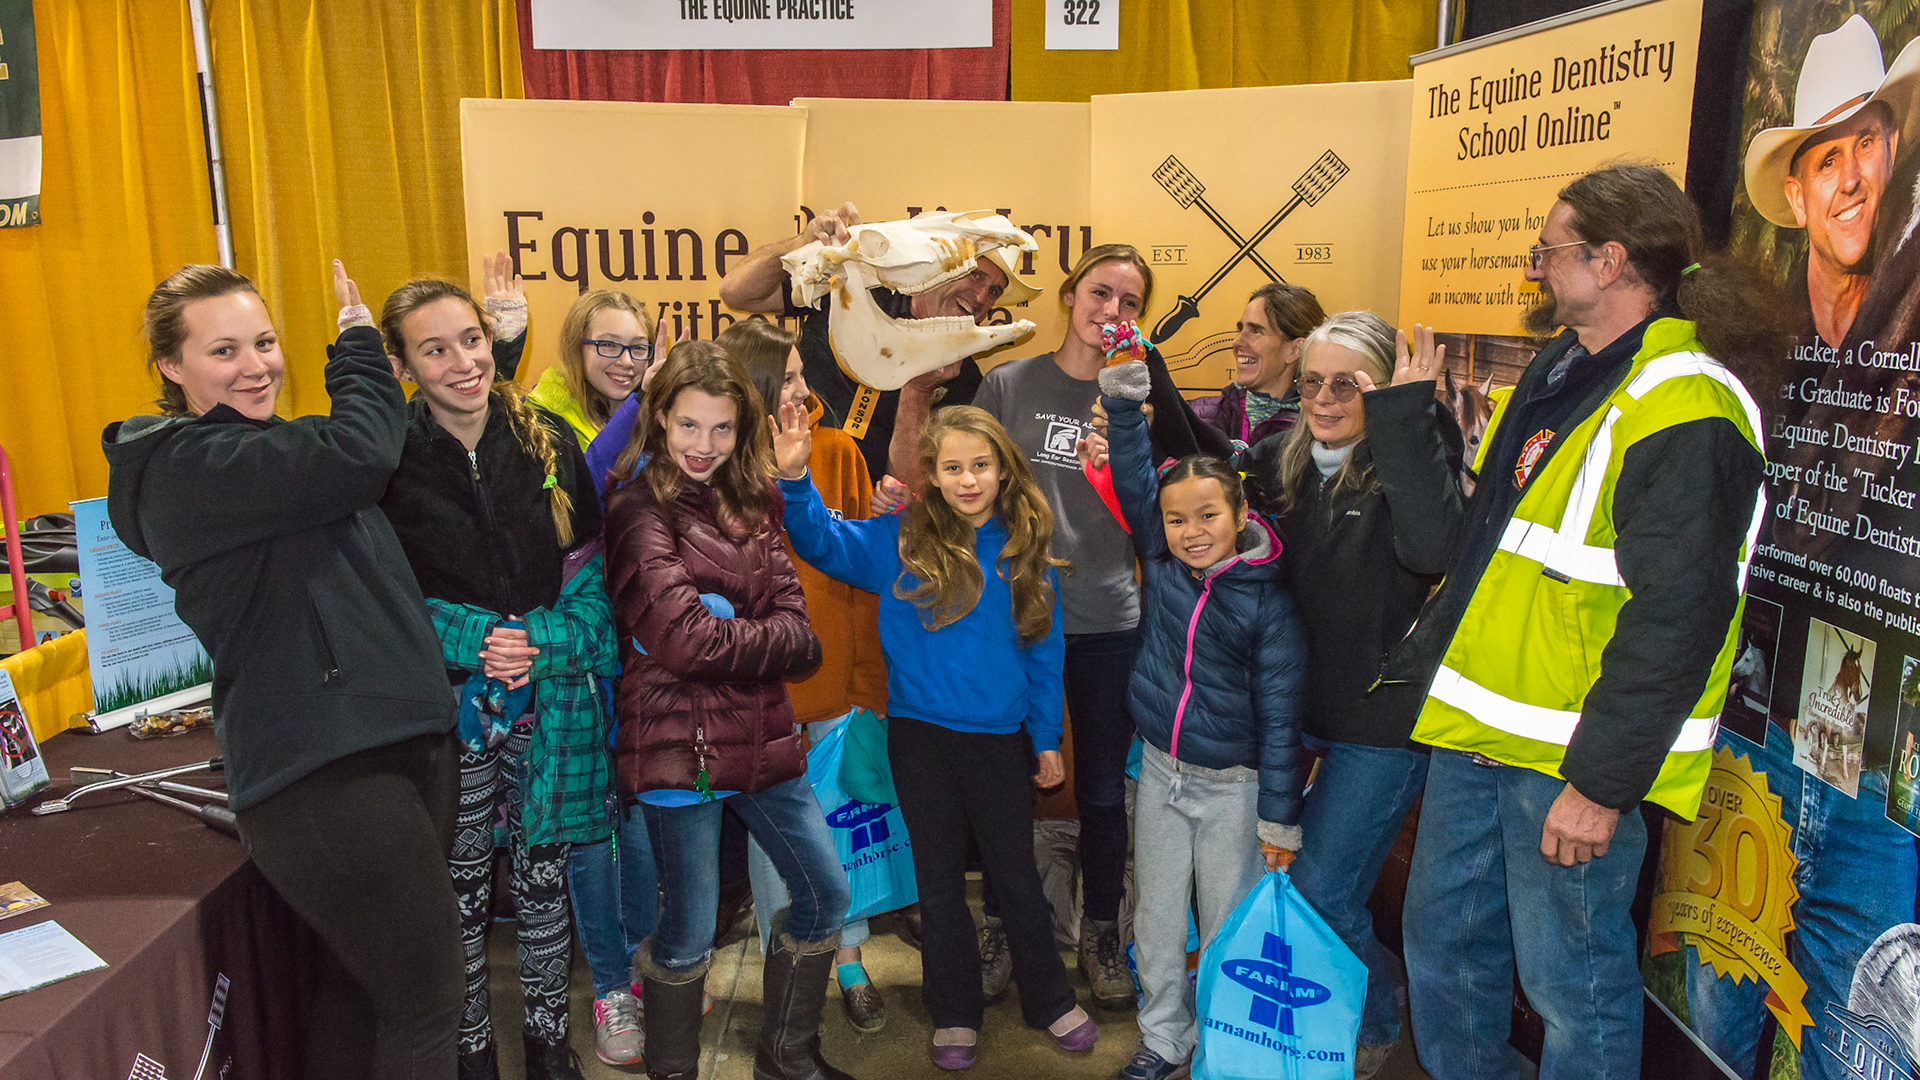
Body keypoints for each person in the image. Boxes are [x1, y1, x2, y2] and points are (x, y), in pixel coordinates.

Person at [1381, 164, 1777, 1080]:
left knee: (1575, 989)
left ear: (1610, 260)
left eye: (1549, 251)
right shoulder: (1563, 372)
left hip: (1570, 763)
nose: (1535, 269)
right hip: (1481, 736)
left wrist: (1599, 788)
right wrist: (1405, 419)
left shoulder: (1687, 404)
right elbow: (1453, 545)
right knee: (1441, 947)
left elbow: (1679, 621)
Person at [105, 262, 462, 1079]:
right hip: (324, 774)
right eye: (223, 350)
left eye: (264, 342)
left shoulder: (269, 456)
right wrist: (361, 347)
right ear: (171, 368)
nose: (256, 365)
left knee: (363, 994)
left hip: (392, 745)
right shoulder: (187, 469)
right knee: (426, 1003)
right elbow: (367, 446)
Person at [773, 404, 1099, 1070]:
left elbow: (1044, 655)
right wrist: (795, 478)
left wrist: (1044, 739)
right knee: (940, 884)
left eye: (981, 465)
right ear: (934, 474)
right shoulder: (902, 538)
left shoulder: (1024, 549)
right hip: (920, 742)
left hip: (1001, 745)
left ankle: (1050, 998)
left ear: (1003, 470)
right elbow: (820, 540)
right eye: (953, 467)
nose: (969, 479)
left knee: (1015, 880)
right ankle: (954, 1012)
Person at [374, 278, 611, 1080]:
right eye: (434, 349)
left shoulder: (545, 437)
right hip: (446, 710)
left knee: (546, 882)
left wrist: (535, 639)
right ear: (401, 364)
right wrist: (477, 637)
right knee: (461, 891)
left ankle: (549, 1044)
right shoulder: (385, 458)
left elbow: (591, 573)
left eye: (471, 340)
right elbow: (381, 591)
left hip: (548, 701)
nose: (462, 362)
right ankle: (470, 1050)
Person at [602, 342, 853, 1080]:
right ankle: (673, 1069)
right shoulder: (635, 508)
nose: (703, 446)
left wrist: (722, 627)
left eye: (720, 429)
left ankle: (787, 1054)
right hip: (679, 750)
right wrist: (739, 633)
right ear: (659, 421)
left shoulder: (751, 503)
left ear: (742, 430)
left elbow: (801, 639)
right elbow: (683, 640)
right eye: (687, 426)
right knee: (689, 931)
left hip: (763, 737)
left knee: (823, 894)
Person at [1240, 312, 1464, 1078]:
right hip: (1302, 714)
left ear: (1383, 390)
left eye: (1349, 383)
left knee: (1322, 893)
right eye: (1312, 382)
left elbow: (1433, 546)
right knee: (1298, 887)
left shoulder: (1410, 457)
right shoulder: (1285, 461)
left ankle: (1375, 1022)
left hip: (1382, 722)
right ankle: (1354, 1000)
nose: (1326, 400)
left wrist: (1405, 414)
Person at [972, 243, 1187, 1009]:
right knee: (1003, 784)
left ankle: (1101, 929)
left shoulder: (1139, 397)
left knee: (1100, 789)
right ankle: (1000, 921)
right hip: (1016, 618)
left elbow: (1166, 519)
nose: (1113, 313)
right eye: (1101, 293)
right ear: (1069, 294)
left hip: (1105, 617)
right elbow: (973, 497)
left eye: (1131, 304)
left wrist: (1125, 443)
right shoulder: (1008, 384)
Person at [1093, 347, 1308, 1080]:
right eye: (1177, 518)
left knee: (1224, 931)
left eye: (1208, 515)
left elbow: (1283, 719)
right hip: (1160, 773)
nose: (1190, 530)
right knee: (1155, 922)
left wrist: (1279, 817)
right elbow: (1130, 481)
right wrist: (1125, 409)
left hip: (1234, 791)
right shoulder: (1160, 560)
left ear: (1241, 514)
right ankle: (1162, 1040)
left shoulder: (1266, 602)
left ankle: (1222, 1050)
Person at [725, 317, 893, 1032]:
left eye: (800, 373)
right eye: (788, 377)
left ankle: (849, 959)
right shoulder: (714, 465)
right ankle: (785, 973)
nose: (803, 388)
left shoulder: (837, 452)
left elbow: (857, 579)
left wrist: (865, 687)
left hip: (830, 686)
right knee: (775, 843)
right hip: (753, 689)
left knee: (840, 832)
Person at [717, 202, 1042, 486]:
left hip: (864, 525)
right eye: (976, 276)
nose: (982, 297)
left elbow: (912, 488)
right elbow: (736, 292)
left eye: (995, 291)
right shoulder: (853, 283)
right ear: (946, 264)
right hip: (777, 486)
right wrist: (802, 242)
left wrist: (919, 392)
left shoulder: (961, 376)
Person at [1189, 283, 1326, 449]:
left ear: (1295, 350)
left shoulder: (1321, 433)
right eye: (1240, 329)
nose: (1237, 342)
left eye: (1255, 331)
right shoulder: (1195, 418)